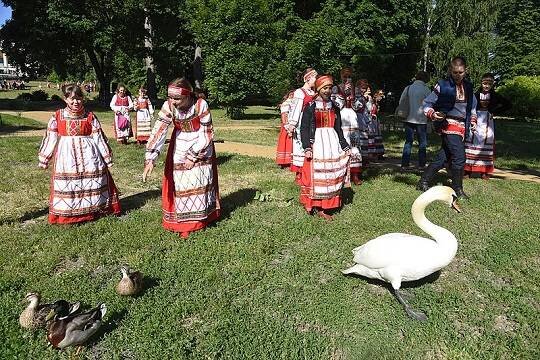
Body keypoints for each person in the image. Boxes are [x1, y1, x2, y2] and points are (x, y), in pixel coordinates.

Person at [142, 78, 220, 238]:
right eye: (171, 97)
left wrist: (193, 156)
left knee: (200, 180)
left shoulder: (200, 105)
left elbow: (207, 133)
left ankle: (201, 219)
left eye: (177, 98)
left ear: (187, 95)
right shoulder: (168, 106)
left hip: (200, 143)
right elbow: (160, 130)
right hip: (180, 144)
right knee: (182, 182)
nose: (173, 101)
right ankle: (185, 223)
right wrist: (150, 157)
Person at [38, 84, 121, 224]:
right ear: (65, 99)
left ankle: (93, 209)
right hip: (67, 156)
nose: (76, 102)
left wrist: (107, 157)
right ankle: (69, 214)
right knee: (69, 183)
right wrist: (44, 158)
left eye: (79, 98)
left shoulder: (89, 116)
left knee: (92, 179)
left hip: (90, 154)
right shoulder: (57, 116)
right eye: (72, 99)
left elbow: (99, 137)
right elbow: (50, 138)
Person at [417, 57, 478, 199]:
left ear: (466, 71)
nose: (458, 75)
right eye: (455, 72)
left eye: (461, 72)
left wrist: (473, 120)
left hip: (463, 125)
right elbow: (426, 103)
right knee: (459, 157)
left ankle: (423, 181)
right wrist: (432, 114)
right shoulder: (442, 86)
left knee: (442, 157)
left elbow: (473, 106)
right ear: (450, 70)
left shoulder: (468, 87)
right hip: (448, 124)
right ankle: (457, 189)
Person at [299, 75, 351, 220]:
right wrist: (307, 147)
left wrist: (344, 145)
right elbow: (304, 128)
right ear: (319, 89)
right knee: (314, 175)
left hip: (332, 142)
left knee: (330, 174)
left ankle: (325, 207)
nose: (328, 91)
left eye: (330, 88)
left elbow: (338, 128)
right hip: (317, 143)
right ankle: (311, 203)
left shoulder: (334, 107)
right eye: (325, 88)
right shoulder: (310, 106)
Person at [464, 73, 511, 179]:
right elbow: (468, 106)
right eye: (485, 83)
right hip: (475, 120)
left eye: (489, 84)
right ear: (481, 83)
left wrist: (494, 111)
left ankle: (485, 171)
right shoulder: (475, 95)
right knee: (471, 143)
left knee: (486, 144)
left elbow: (508, 104)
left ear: (492, 84)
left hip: (488, 122)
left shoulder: (495, 96)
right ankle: (468, 170)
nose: (486, 86)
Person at [284, 68, 318, 183]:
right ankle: (299, 174)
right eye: (315, 78)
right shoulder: (300, 92)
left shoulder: (313, 93)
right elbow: (295, 109)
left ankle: (308, 171)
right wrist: (292, 124)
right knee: (300, 145)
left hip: (312, 122)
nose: (316, 80)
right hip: (302, 122)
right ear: (308, 78)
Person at [332, 67, 363, 185]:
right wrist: (343, 94)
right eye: (345, 76)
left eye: (349, 76)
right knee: (343, 142)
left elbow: (359, 106)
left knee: (355, 144)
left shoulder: (356, 90)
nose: (347, 79)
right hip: (342, 116)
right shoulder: (335, 88)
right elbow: (335, 104)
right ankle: (342, 172)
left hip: (353, 118)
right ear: (341, 76)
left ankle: (355, 173)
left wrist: (353, 96)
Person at [400, 71, 432, 169]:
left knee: (408, 142)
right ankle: (421, 165)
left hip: (408, 118)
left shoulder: (408, 88)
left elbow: (401, 101)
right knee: (422, 143)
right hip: (421, 120)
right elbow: (431, 103)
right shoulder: (426, 89)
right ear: (425, 79)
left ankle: (405, 164)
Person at [275, 90, 295, 168]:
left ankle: (288, 161)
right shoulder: (286, 104)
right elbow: (284, 116)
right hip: (287, 125)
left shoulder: (292, 103)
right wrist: (287, 126)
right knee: (287, 142)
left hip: (290, 125)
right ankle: (285, 161)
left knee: (289, 143)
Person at [370, 89, 386, 159]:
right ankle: (374, 153)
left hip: (375, 121)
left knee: (377, 136)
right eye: (380, 96)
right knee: (374, 136)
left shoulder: (376, 103)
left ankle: (379, 153)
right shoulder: (371, 102)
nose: (381, 98)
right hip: (372, 121)